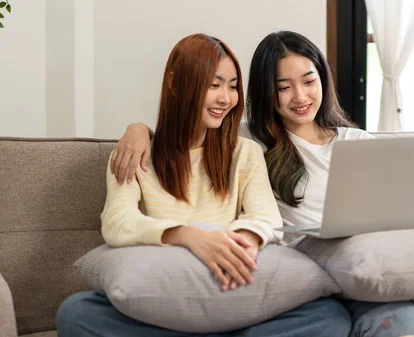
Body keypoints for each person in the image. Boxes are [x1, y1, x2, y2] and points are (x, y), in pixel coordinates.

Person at [113, 31, 414, 337]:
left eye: (308, 81)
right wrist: (139, 130)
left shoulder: (360, 143)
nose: (300, 97)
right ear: (265, 94)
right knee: (403, 320)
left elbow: (397, 214)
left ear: (323, 79)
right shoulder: (251, 143)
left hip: (383, 266)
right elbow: (194, 129)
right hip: (328, 279)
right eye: (283, 87)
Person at [55, 33, 351, 337]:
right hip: (167, 295)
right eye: (214, 84)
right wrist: (188, 236)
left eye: (233, 86)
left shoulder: (245, 150)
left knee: (329, 316)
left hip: (230, 294)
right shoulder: (135, 155)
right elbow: (117, 222)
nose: (226, 97)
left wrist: (232, 246)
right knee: (77, 312)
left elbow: (266, 217)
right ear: (174, 83)